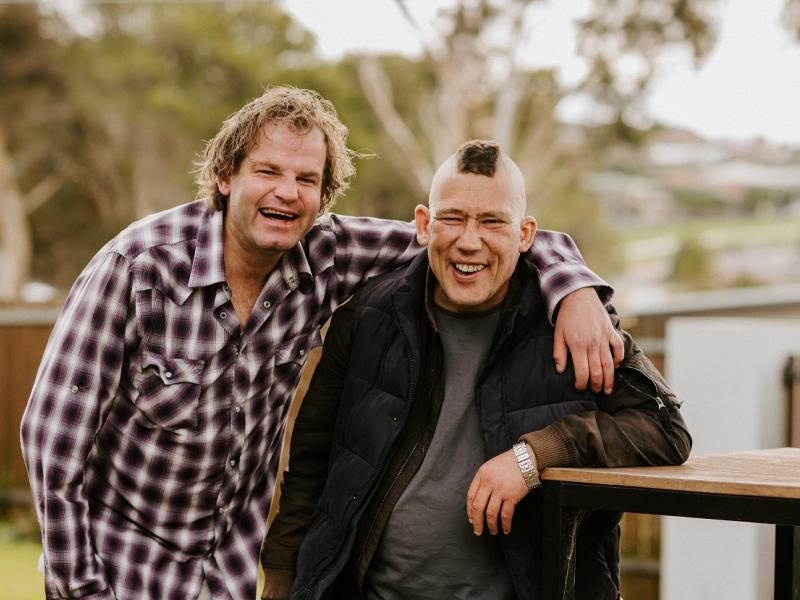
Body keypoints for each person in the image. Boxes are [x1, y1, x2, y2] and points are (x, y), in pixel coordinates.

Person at [21, 88, 619, 600]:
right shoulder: (138, 267)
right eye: (268, 171)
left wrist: (572, 286)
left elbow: (469, 234)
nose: (287, 192)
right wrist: (80, 587)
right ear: (226, 176)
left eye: (307, 179)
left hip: (227, 577)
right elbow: (52, 445)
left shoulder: (327, 255)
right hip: (120, 570)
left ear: (324, 196)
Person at [261, 140, 691, 600]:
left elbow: (665, 430)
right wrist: (282, 581)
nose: (470, 241)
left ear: (525, 235)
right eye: (452, 218)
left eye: (492, 222)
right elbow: (309, 466)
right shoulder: (367, 317)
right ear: (424, 225)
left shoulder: (572, 324)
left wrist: (534, 457)